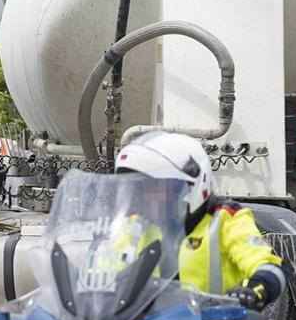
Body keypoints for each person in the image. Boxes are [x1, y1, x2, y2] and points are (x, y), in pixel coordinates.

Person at [114, 130, 286, 310]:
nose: (144, 196)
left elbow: (268, 265)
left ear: (190, 186)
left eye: (154, 187)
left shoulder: (225, 220)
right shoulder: (137, 227)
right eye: (139, 187)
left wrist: (254, 289)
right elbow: (107, 268)